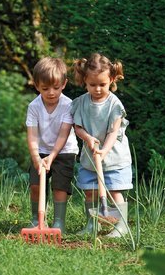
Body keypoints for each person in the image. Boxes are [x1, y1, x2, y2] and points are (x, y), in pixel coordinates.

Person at [71, 53, 133, 237]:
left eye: (102, 84)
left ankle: (121, 227)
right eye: (92, 85)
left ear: (112, 79)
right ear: (85, 81)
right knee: (90, 192)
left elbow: (114, 131)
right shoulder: (81, 103)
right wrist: (88, 139)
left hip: (114, 157)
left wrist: (105, 150)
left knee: (114, 191)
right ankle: (92, 224)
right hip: (91, 158)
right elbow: (77, 127)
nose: (97, 89)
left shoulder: (114, 104)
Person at [26, 57, 79, 233]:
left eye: (56, 88)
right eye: (45, 88)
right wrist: (36, 158)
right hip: (40, 151)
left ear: (64, 84)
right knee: (35, 186)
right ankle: (36, 219)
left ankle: (58, 222)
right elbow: (32, 135)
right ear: (36, 85)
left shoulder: (68, 105)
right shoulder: (34, 106)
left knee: (59, 186)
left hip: (64, 151)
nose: (50, 93)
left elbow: (64, 134)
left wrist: (52, 156)